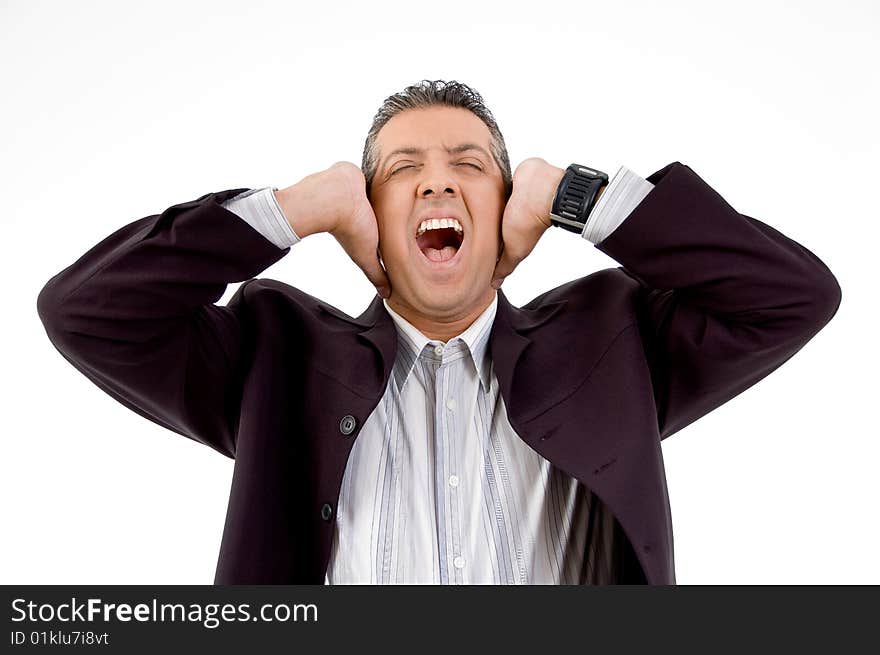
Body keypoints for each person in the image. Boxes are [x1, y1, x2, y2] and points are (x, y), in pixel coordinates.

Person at [36, 79, 841, 585]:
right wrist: (296, 207)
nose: (436, 180)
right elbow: (87, 310)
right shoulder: (275, 352)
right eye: (399, 170)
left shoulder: (612, 338)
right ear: (369, 216)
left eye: (470, 165)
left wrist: (575, 194)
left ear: (505, 211)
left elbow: (792, 294)